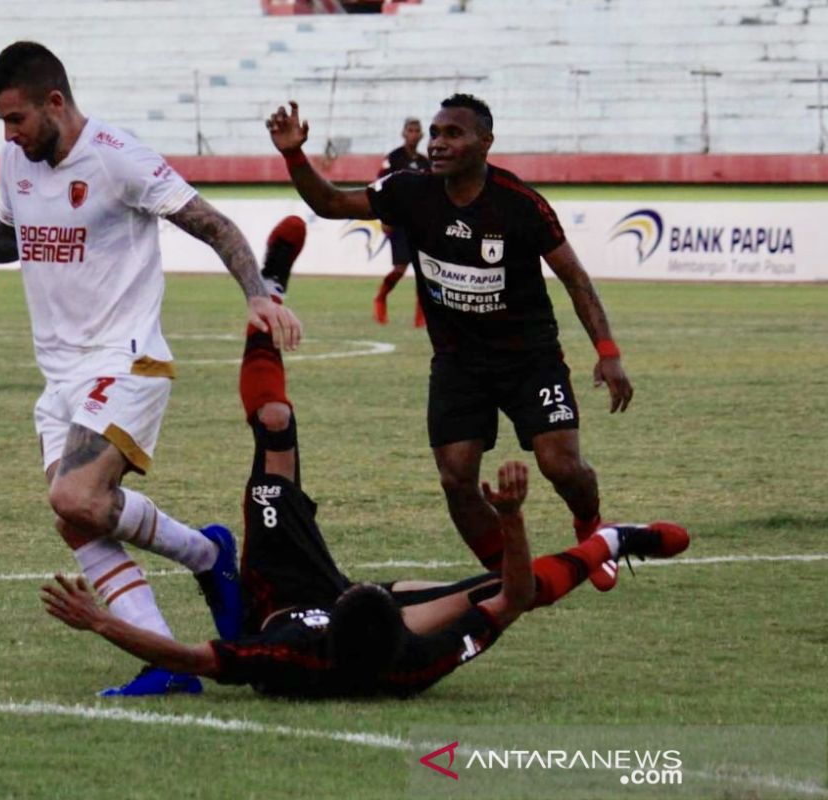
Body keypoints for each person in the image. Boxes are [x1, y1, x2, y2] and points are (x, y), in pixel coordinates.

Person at [40, 240, 688, 698]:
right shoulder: (417, 657)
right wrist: (513, 521)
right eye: (381, 592)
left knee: (273, 427)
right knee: (501, 588)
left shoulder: (289, 655)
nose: (366, 581)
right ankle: (615, 539)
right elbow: (515, 596)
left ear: (347, 604)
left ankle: (269, 290)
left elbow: (193, 658)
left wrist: (103, 623)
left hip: (279, 592)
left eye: (362, 589)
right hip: (363, 627)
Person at [0, 41, 302, 697]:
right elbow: (12, 236)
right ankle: (172, 648)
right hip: (60, 375)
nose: (8, 134)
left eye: (16, 119)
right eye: (1, 122)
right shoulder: (15, 158)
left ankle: (206, 557)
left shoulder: (116, 156)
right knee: (78, 518)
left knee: (74, 496)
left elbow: (212, 224)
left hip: (128, 359)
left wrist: (257, 295)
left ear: (55, 101)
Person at [265, 93, 635, 591]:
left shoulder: (520, 204)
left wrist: (607, 354)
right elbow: (330, 202)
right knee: (457, 479)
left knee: (560, 464)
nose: (438, 143)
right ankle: (510, 577)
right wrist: (293, 154)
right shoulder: (408, 191)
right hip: (459, 363)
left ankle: (591, 525)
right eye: (435, 134)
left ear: (485, 143)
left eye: (452, 134)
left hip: (530, 359)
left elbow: (575, 277)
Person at [373, 117, 430, 327]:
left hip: (421, 223)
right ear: (404, 133)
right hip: (399, 222)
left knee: (424, 269)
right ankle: (381, 297)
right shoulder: (393, 159)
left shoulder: (426, 162)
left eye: (417, 130)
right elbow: (380, 187)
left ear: (422, 135)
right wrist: (384, 216)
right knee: (399, 268)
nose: (414, 134)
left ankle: (421, 316)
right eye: (410, 130)